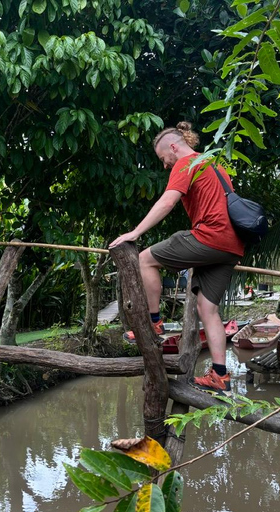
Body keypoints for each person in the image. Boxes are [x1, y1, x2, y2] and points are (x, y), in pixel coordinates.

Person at [109, 121, 245, 393]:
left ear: (173, 147)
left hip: (210, 236)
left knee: (145, 259)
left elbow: (167, 202)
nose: (164, 165)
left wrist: (134, 232)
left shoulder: (186, 164)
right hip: (231, 246)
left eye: (163, 159)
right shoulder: (215, 164)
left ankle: (153, 322)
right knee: (208, 310)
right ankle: (220, 376)